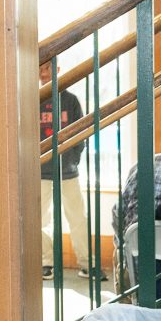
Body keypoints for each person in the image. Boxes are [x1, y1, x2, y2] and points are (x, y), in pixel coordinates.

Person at [39, 62, 94, 280]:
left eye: (48, 68)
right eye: (40, 69)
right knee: (42, 220)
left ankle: (87, 264)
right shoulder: (33, 99)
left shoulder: (70, 100)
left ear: (58, 69)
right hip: (42, 170)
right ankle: (46, 263)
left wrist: (74, 158)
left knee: (78, 218)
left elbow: (82, 131)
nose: (44, 73)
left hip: (68, 170)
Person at [111, 152, 161, 297]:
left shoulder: (142, 166)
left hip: (139, 274)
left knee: (122, 247)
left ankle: (128, 304)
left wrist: (123, 245)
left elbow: (117, 213)